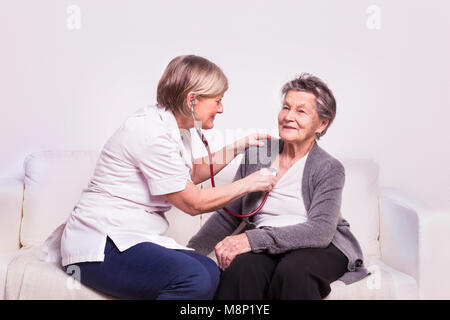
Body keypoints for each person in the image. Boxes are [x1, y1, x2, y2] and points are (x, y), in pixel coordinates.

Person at [40, 55, 278, 300]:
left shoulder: (174, 128)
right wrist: (249, 183)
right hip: (100, 243)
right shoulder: (150, 132)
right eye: (217, 100)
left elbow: (189, 175)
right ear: (192, 100)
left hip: (129, 237)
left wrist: (238, 147)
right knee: (195, 277)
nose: (221, 108)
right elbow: (192, 203)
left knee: (209, 270)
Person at [187, 73, 369, 300]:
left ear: (322, 124)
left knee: (294, 273)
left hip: (319, 246)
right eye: (286, 107)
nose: (289, 117)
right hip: (266, 244)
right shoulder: (259, 153)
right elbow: (230, 214)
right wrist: (190, 253)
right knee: (241, 269)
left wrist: (251, 240)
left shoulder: (329, 168)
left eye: (301, 111)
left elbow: (321, 231)